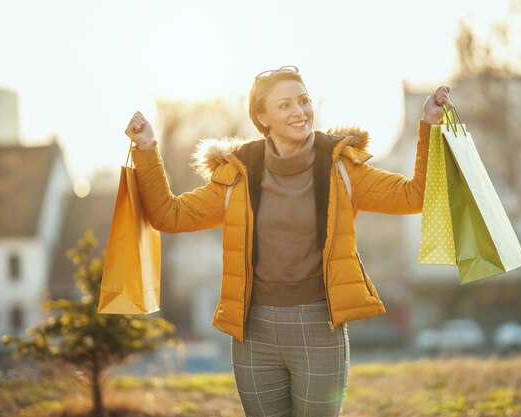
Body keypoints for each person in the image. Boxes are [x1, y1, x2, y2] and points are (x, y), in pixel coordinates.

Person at [125, 65, 451, 417]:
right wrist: (146, 149)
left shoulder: (342, 166)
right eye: (285, 105)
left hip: (319, 329)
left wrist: (430, 126)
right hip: (253, 332)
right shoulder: (237, 174)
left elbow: (414, 196)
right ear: (262, 117)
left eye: (304, 100)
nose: (300, 111)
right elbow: (168, 215)